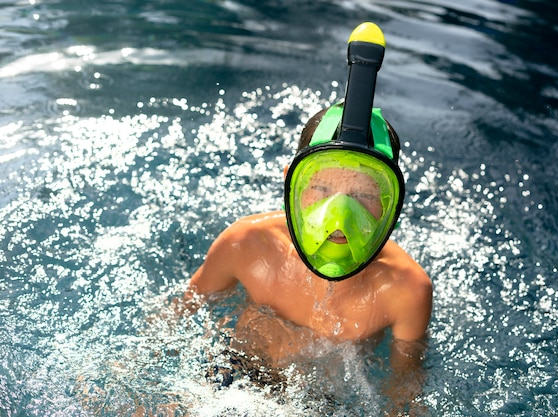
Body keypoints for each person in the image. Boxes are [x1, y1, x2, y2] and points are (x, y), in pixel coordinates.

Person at [179, 22, 432, 411]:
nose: (340, 214)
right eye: (322, 189)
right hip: (236, 371)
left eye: (364, 196)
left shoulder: (405, 291)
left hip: (320, 398)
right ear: (291, 188)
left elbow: (404, 389)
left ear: (392, 206)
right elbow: (177, 315)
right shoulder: (247, 245)